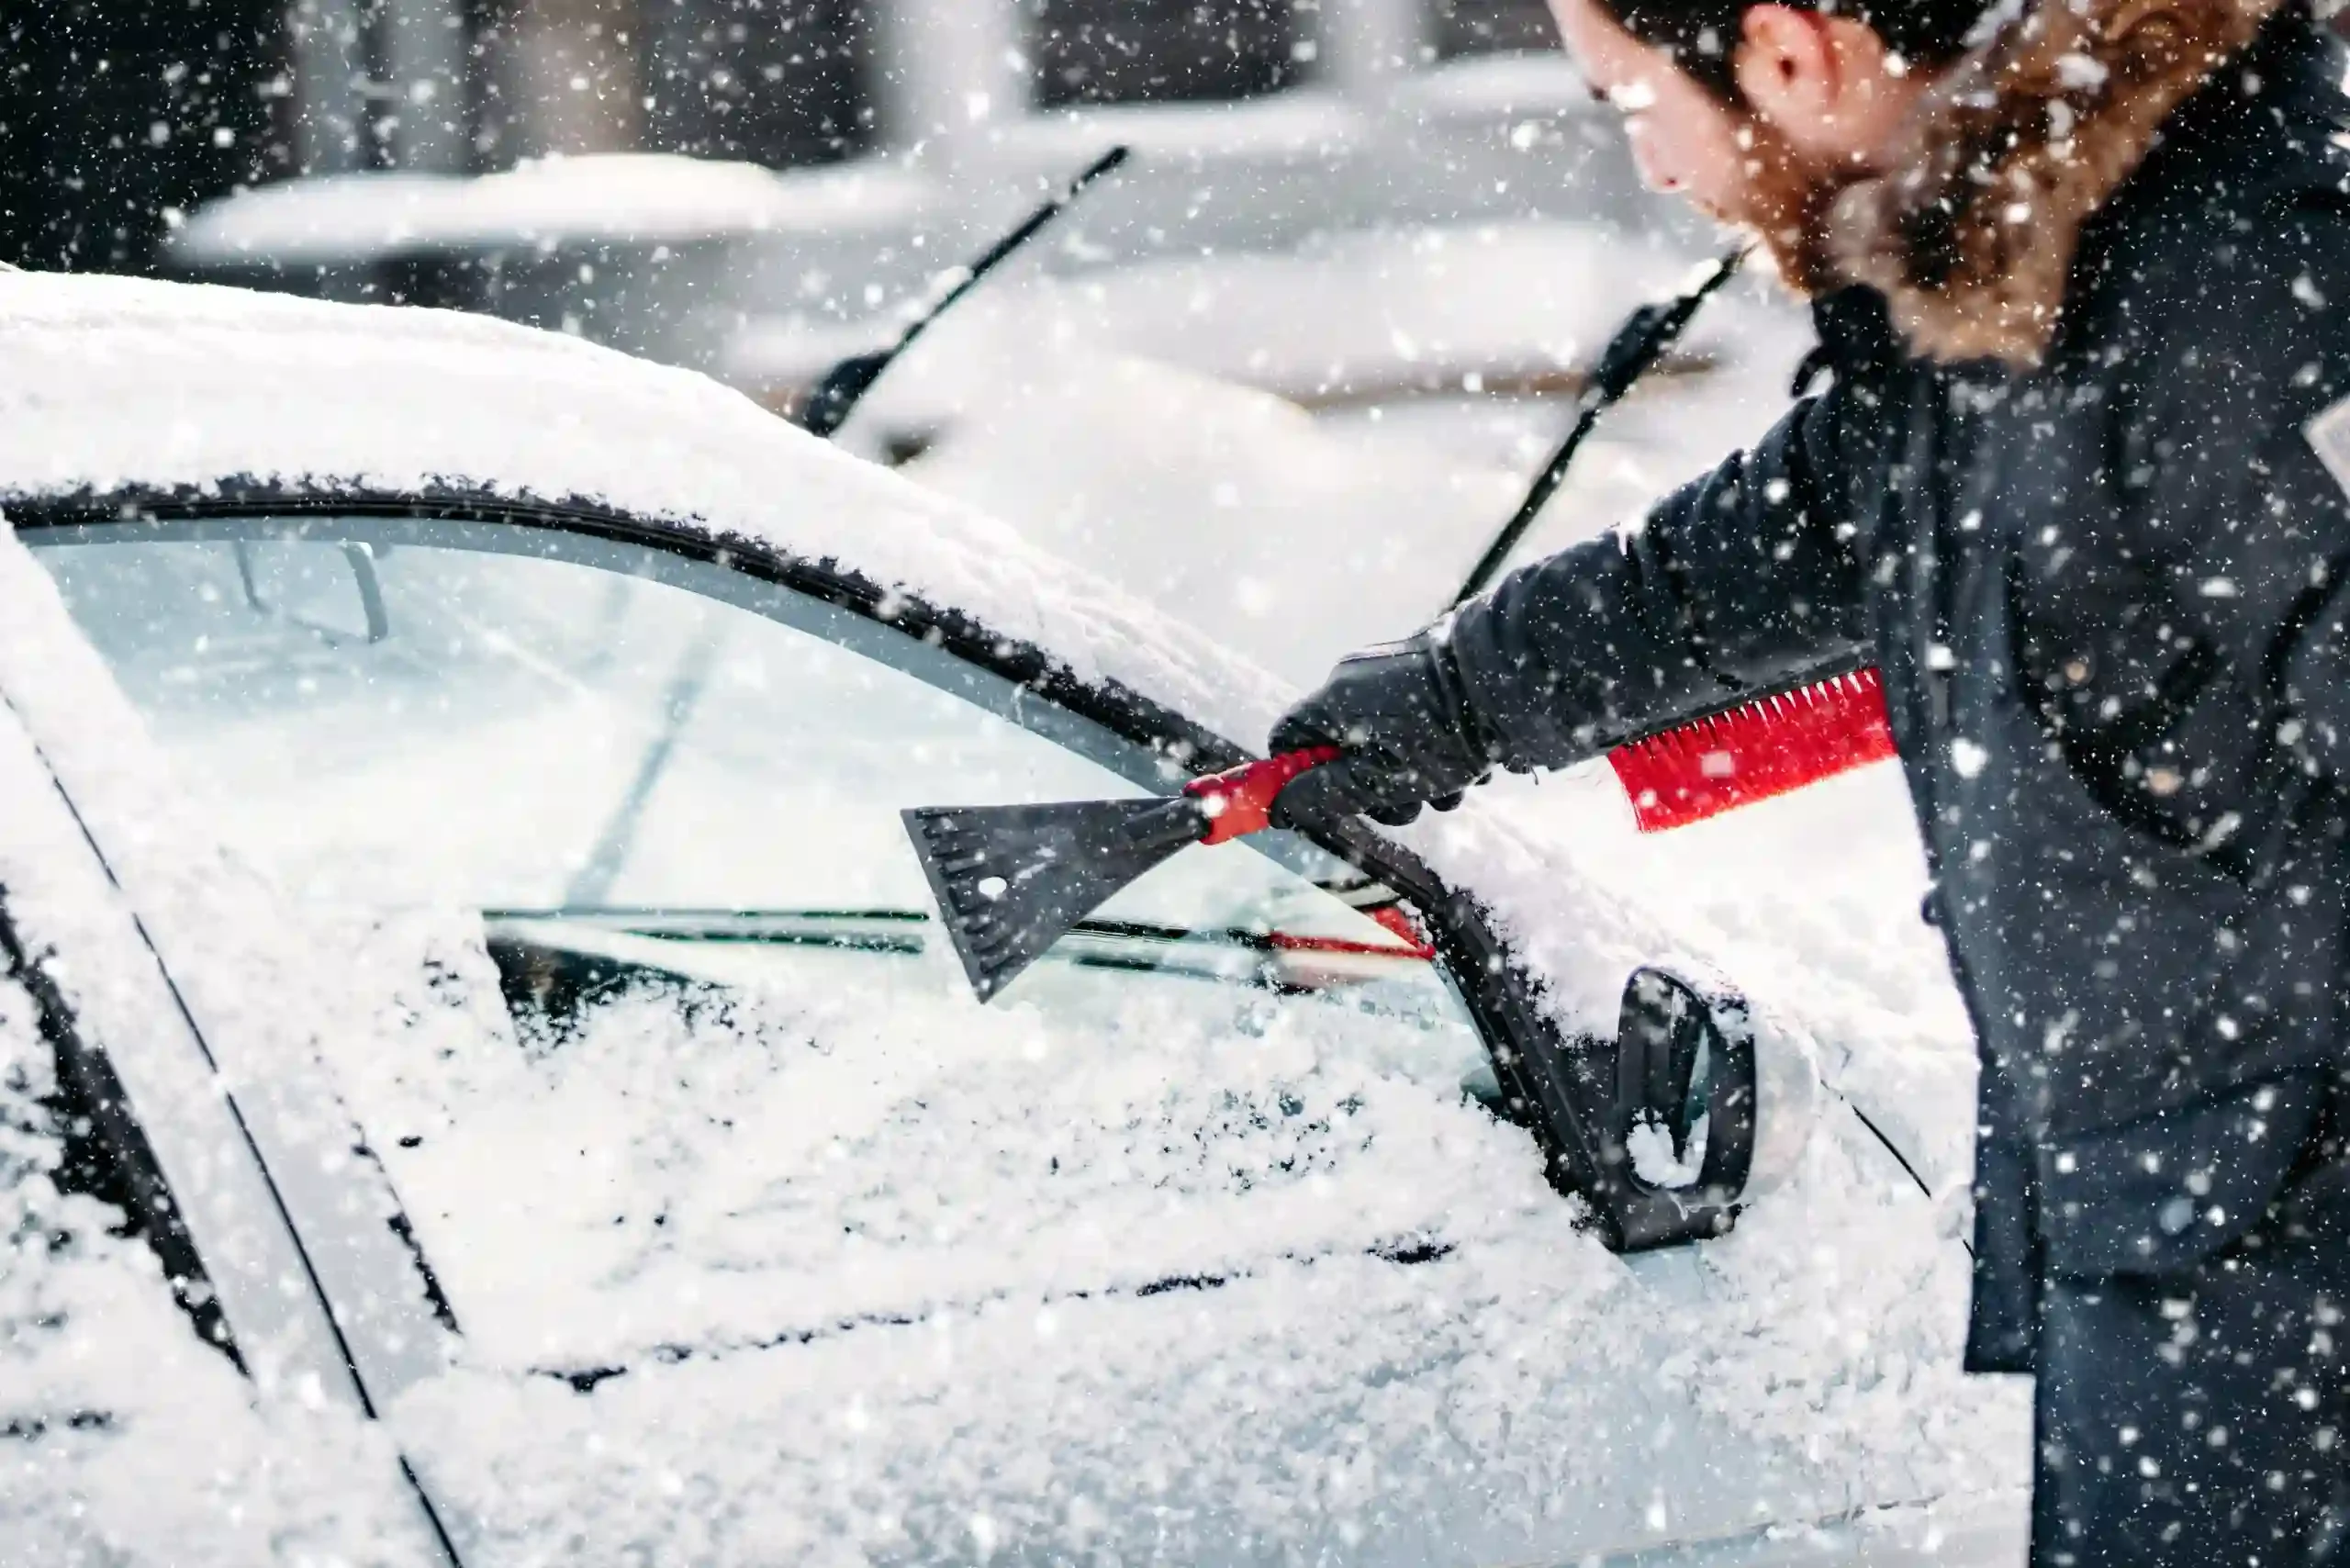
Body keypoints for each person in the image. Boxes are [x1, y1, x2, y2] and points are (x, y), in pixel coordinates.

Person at [1267, 0, 2350, 1559]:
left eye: (1632, 98)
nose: (1649, 163)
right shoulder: (2006, 303)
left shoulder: (2240, 308)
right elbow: (1729, 569)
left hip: (2277, 1239)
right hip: (2191, 1215)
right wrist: (1439, 705)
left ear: (1791, 54)